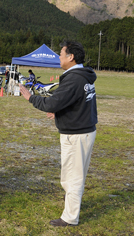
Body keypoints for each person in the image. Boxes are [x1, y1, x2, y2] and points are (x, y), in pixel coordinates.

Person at [19, 41, 97, 227]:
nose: (59, 58)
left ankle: (70, 218)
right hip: (83, 131)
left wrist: (31, 98)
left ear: (71, 57)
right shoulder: (82, 76)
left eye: (61, 54)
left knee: (72, 177)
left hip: (76, 134)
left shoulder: (74, 78)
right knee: (74, 174)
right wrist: (59, 111)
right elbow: (79, 102)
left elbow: (52, 102)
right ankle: (72, 207)